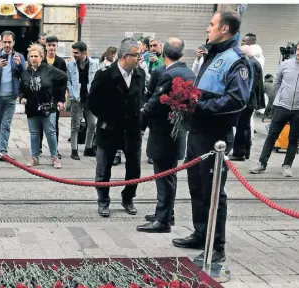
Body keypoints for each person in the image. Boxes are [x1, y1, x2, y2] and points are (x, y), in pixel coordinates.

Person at [172, 11, 252, 265]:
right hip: (197, 133)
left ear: (225, 28)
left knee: (214, 191)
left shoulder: (236, 60)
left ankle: (216, 246)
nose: (208, 28)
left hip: (215, 137)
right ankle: (200, 233)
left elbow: (237, 100)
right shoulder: (213, 54)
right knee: (196, 187)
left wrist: (199, 105)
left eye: (212, 24)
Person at [137, 37, 195, 233]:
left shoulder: (168, 74)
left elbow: (154, 103)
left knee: (164, 176)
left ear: (163, 53)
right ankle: (166, 212)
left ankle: (163, 221)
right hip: (177, 133)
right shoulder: (189, 72)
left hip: (164, 134)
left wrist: (140, 123)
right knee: (169, 175)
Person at [87, 38, 146, 218]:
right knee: (104, 168)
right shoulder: (104, 74)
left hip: (132, 129)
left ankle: (128, 198)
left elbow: (141, 99)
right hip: (109, 129)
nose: (139, 59)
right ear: (125, 56)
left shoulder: (140, 74)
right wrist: (108, 117)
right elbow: (92, 102)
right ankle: (103, 201)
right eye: (136, 55)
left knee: (134, 168)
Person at [249, 42, 299, 177]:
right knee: (272, 135)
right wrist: (279, 98)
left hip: (298, 111)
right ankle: (262, 163)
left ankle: (287, 165)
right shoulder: (286, 64)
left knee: (294, 139)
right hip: (282, 107)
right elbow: (277, 82)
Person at [20, 43, 66, 169]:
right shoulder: (25, 73)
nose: (33, 58)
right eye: (31, 56)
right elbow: (22, 88)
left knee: (50, 132)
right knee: (34, 133)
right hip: (31, 108)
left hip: (48, 107)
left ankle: (54, 157)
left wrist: (60, 99)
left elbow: (64, 78)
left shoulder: (49, 69)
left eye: (36, 56)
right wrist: (22, 97)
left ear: (41, 57)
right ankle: (35, 157)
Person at [0, 31, 26, 161]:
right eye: (5, 42)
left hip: (11, 97)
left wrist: (20, 66)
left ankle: (3, 151)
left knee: (6, 125)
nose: (7, 45)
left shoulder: (18, 57)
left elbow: (24, 76)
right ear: (1, 42)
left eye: (9, 42)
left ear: (13, 43)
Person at [229, 45, 264, 162]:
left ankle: (239, 153)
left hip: (247, 101)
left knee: (242, 127)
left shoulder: (248, 63)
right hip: (251, 100)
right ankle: (245, 152)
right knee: (245, 126)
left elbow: (248, 84)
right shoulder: (255, 62)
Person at [66, 41, 99, 160]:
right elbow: (68, 80)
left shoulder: (95, 63)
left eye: (77, 53)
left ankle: (88, 147)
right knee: (75, 125)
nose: (74, 55)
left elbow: (97, 79)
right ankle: (74, 150)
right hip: (76, 98)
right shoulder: (70, 65)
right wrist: (71, 93)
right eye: (73, 52)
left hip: (90, 98)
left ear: (84, 52)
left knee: (93, 123)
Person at [39, 35, 67, 158]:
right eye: (49, 45)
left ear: (57, 46)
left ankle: (54, 150)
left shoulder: (61, 62)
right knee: (39, 123)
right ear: (46, 46)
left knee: (54, 124)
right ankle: (38, 149)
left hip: (55, 97)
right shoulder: (41, 60)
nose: (51, 48)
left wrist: (62, 100)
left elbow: (63, 82)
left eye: (53, 45)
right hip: (40, 96)